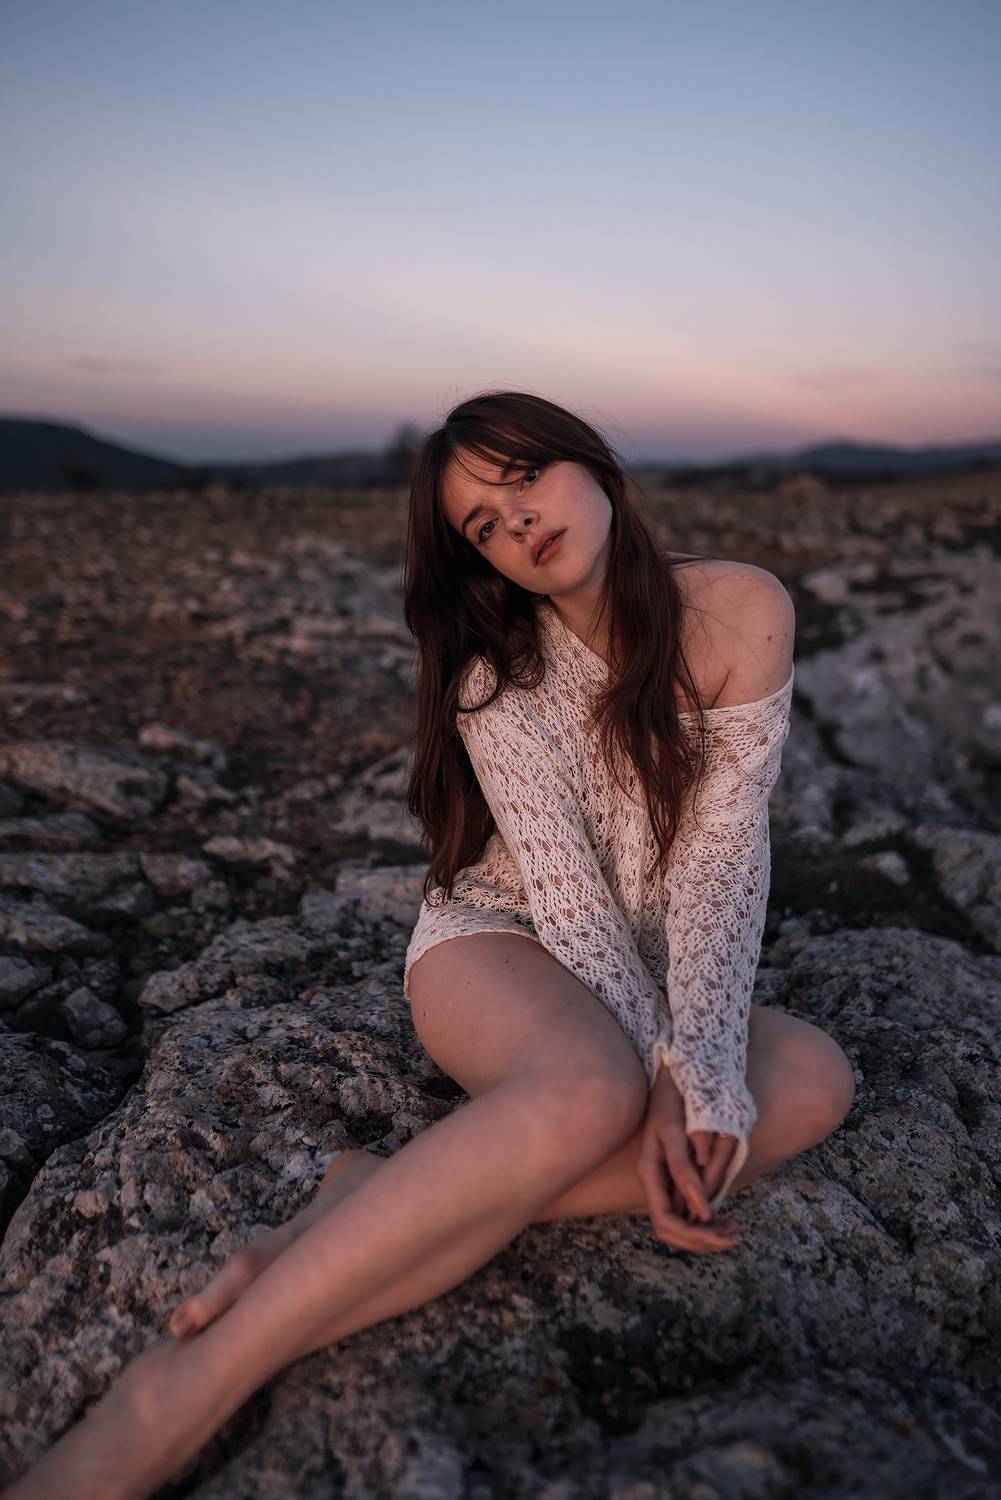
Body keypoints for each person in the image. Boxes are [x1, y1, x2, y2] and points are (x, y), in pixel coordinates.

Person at [5, 390, 855, 1500]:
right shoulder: (495, 678)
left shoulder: (741, 607)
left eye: (523, 481)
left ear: (587, 462)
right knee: (581, 1096)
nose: (517, 524)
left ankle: (374, 1196)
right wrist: (664, 1074)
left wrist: (696, 1069)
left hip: (642, 958)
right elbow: (569, 904)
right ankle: (182, 1388)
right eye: (483, 528)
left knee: (810, 1082)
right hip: (500, 938)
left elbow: (720, 865)